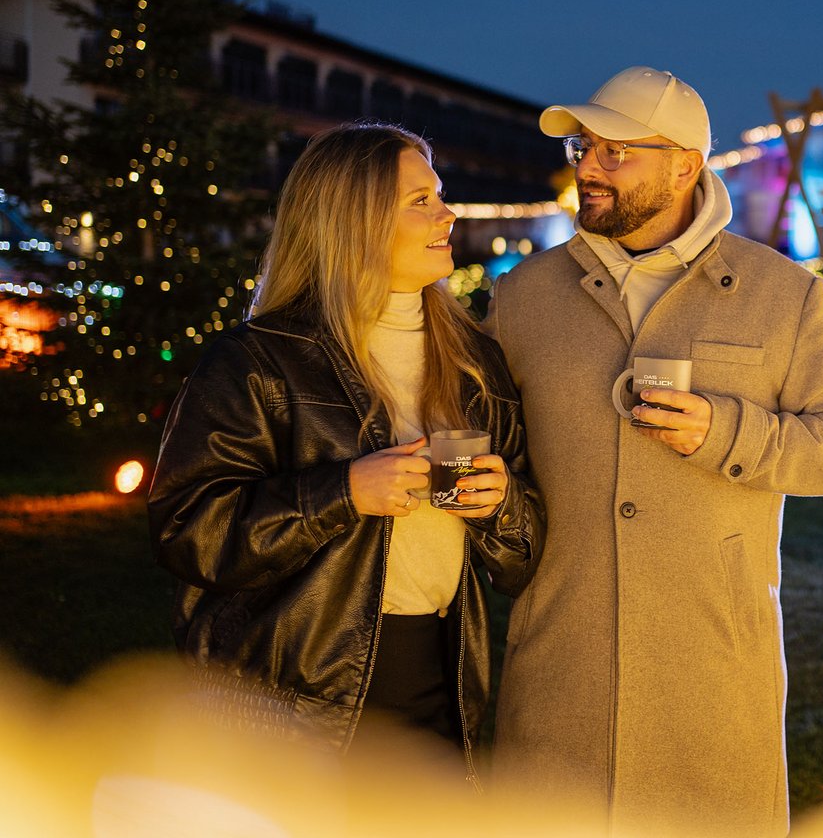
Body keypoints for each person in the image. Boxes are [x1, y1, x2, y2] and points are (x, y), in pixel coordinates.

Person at [484, 67, 823, 834]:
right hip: (560, 686)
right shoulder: (521, 298)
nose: (589, 166)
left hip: (712, 689)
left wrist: (723, 432)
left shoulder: (783, 294)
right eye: (584, 146)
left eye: (616, 151)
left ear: (685, 166)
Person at [148, 122, 544, 779]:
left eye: (440, 196)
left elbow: (519, 563)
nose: (448, 214)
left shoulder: (474, 363)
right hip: (295, 699)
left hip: (440, 679)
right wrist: (344, 492)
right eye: (421, 201)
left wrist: (499, 506)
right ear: (351, 217)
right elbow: (191, 531)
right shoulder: (260, 362)